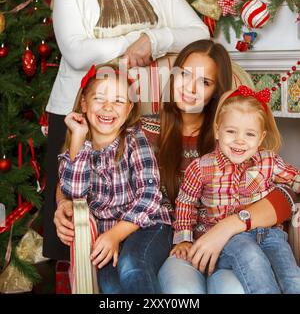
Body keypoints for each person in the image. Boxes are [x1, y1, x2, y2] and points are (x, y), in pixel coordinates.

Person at [54, 40, 295, 293]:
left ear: (216, 91)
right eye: (184, 75)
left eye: (204, 82)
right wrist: (63, 203)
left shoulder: (234, 134)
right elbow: (92, 167)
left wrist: (230, 226)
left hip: (231, 243)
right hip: (169, 245)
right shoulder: (140, 131)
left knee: (230, 289)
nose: (190, 88)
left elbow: (285, 189)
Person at [43, 0, 209, 260]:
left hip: (145, 113)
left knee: (143, 204)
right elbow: (75, 51)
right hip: (85, 111)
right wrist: (131, 43)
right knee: (74, 220)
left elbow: (198, 33)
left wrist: (154, 39)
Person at [172, 84, 300, 294]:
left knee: (292, 276)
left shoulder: (269, 161)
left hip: (271, 235)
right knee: (253, 261)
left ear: (260, 138)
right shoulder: (202, 167)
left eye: (250, 134)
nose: (239, 140)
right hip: (229, 240)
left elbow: (295, 180)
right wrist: (184, 239)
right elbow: (186, 203)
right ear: (217, 131)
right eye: (231, 131)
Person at [58, 63, 172, 293]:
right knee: (110, 286)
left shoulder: (135, 141)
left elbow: (150, 195)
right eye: (99, 98)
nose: (108, 107)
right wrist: (79, 140)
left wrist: (115, 235)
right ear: (84, 103)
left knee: (133, 266)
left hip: (149, 226)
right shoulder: (75, 150)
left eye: (119, 101)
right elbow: (74, 193)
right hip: (107, 235)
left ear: (129, 109)